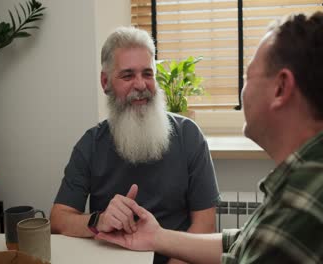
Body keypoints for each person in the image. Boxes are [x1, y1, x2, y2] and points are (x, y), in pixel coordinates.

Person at [95, 12, 323, 263]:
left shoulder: (300, 214)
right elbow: (246, 239)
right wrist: (158, 237)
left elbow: (268, 241)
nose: (242, 90)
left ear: (280, 88)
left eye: (248, 77)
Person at [50, 27, 220, 264]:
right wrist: (98, 220)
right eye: (128, 75)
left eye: (147, 74)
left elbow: (204, 225)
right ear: (105, 81)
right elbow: (59, 219)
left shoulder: (188, 136)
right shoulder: (90, 143)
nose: (141, 85)